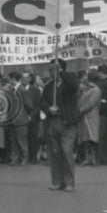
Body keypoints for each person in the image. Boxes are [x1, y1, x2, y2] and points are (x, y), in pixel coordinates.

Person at [41, 59, 81, 191]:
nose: (51, 71)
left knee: (67, 151)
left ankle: (69, 182)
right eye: (50, 69)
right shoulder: (48, 86)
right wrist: (48, 108)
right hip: (53, 122)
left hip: (67, 123)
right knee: (55, 152)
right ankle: (57, 181)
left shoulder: (69, 83)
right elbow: (42, 102)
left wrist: (62, 72)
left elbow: (74, 85)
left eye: (54, 68)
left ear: (60, 69)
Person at [77, 70, 102, 166]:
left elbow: (91, 103)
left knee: (92, 139)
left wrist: (80, 110)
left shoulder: (96, 90)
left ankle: (93, 159)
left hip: (92, 117)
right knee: (86, 139)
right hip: (85, 117)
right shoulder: (87, 89)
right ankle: (88, 158)